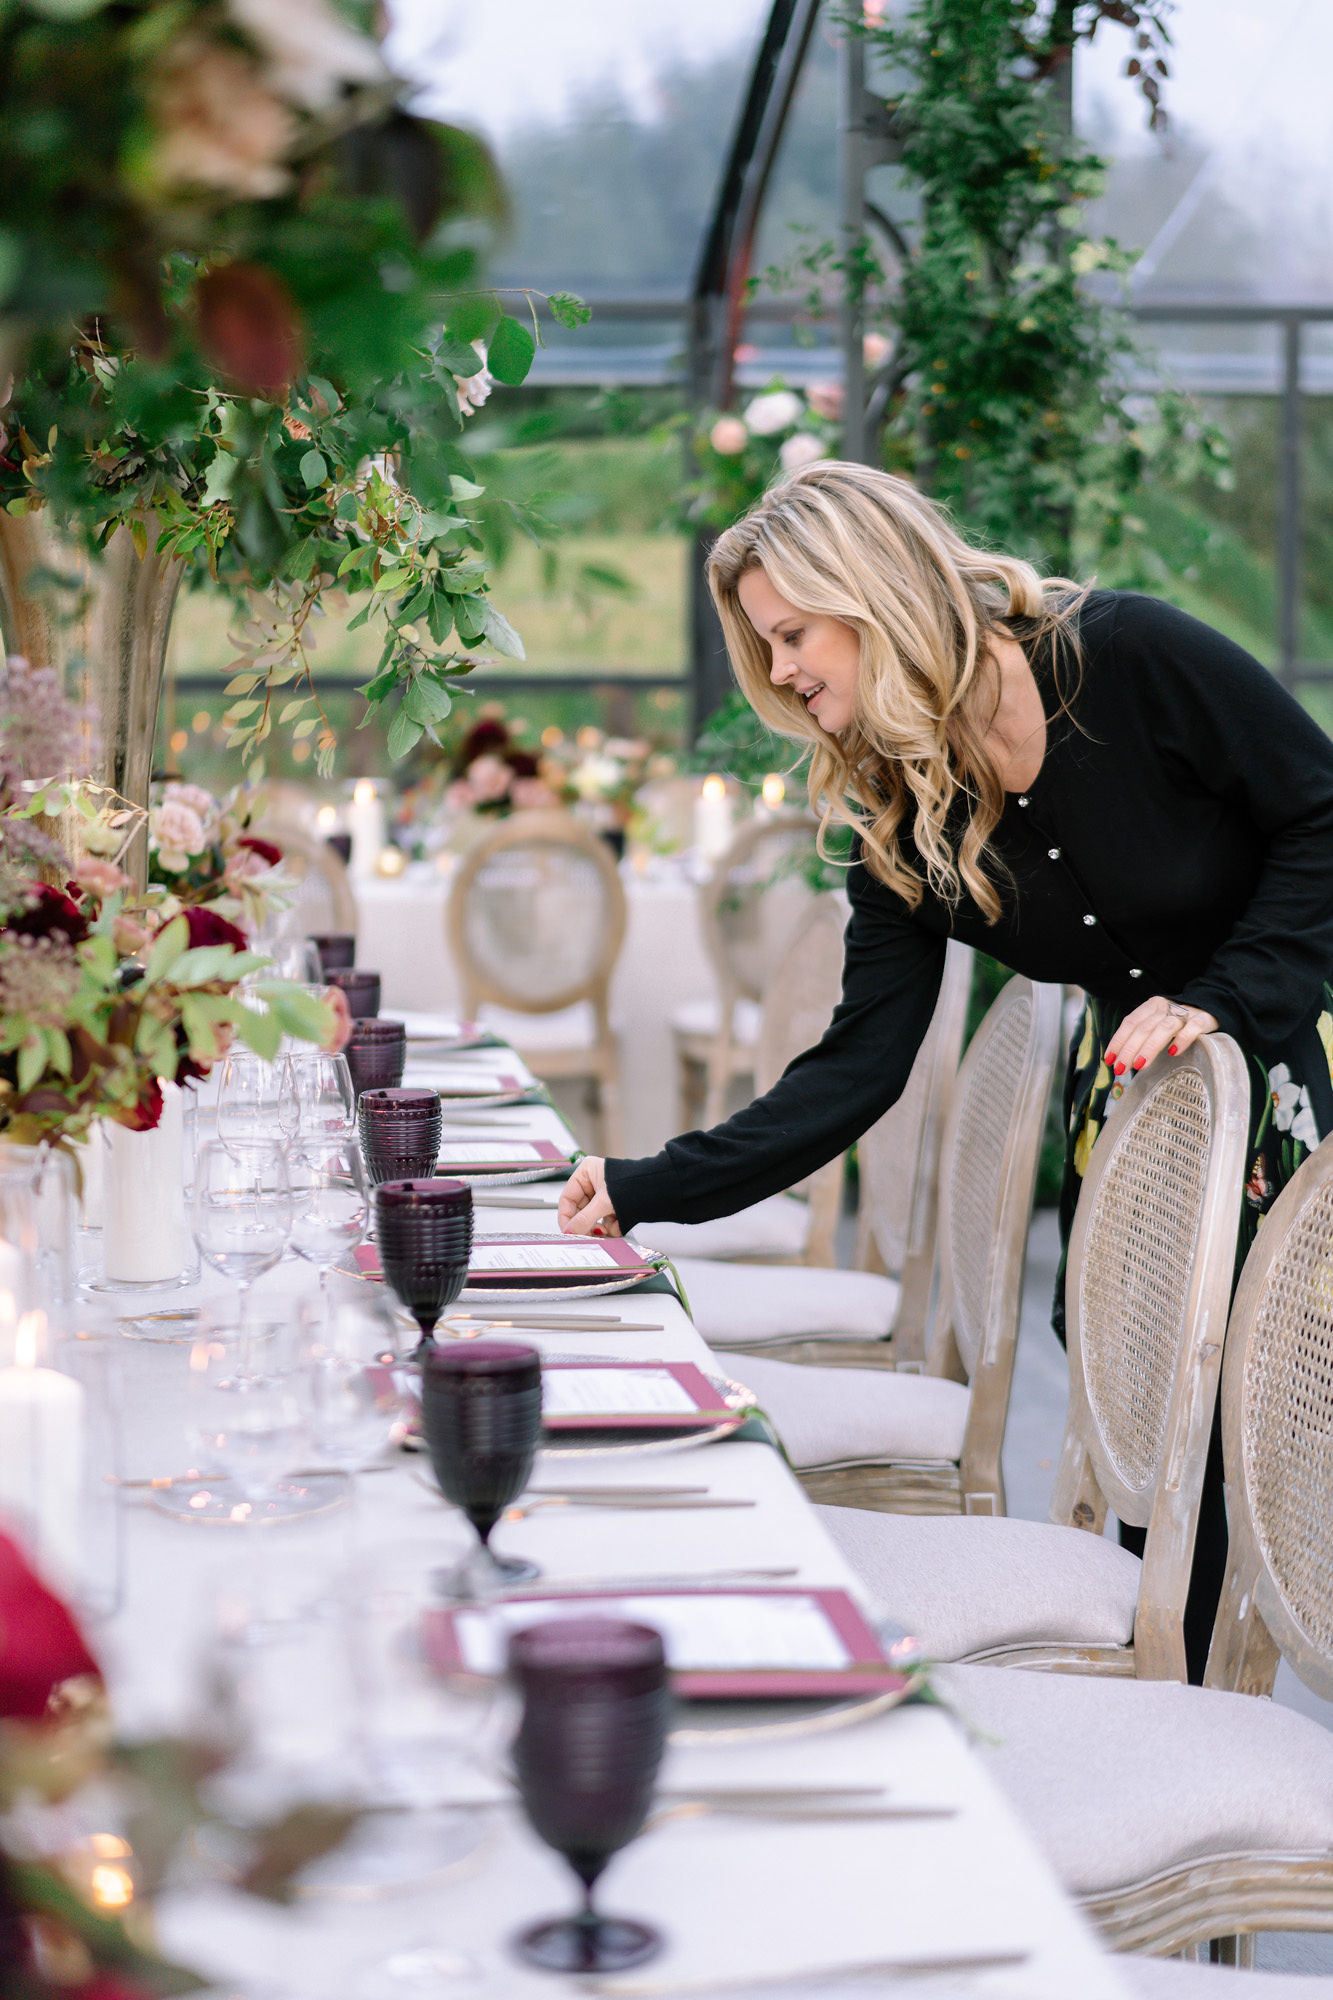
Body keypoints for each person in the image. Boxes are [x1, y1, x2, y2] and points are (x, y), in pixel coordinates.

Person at [557, 459, 1333, 1679]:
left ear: (869, 591)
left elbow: (1321, 813)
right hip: (1133, 1110)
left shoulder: (1124, 657)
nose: (782, 671)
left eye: (794, 633)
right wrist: (645, 1184)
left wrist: (1222, 998)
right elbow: (857, 1066)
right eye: (764, 648)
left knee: (1272, 1437)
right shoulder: (899, 817)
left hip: (1278, 1071)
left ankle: (1215, 1705)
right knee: (1149, 1419)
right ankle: (1177, 1689)